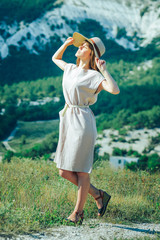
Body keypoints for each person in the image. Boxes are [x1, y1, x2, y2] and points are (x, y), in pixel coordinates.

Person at [52, 32, 120, 225]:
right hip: (67, 120)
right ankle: (98, 195)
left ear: (92, 54)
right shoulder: (70, 68)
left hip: (82, 122)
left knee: (82, 171)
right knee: (64, 171)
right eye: (80, 45)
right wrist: (65, 44)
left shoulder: (94, 76)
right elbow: (55, 58)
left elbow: (114, 90)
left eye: (84, 46)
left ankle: (77, 213)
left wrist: (103, 70)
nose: (80, 47)